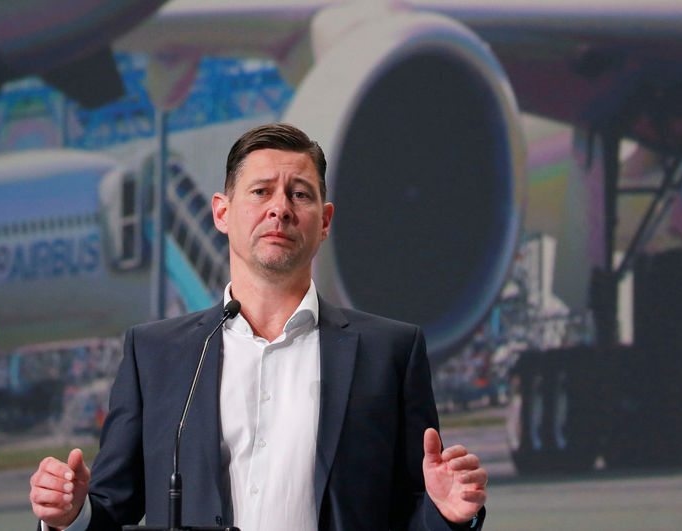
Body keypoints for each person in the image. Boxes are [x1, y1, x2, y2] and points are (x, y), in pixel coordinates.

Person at [29, 123, 488, 530]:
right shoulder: (153, 354)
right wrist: (71, 515)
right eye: (261, 191)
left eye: (300, 194)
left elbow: (412, 512)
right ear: (222, 212)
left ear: (324, 221)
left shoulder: (391, 352)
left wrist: (446, 514)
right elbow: (111, 509)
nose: (280, 208)